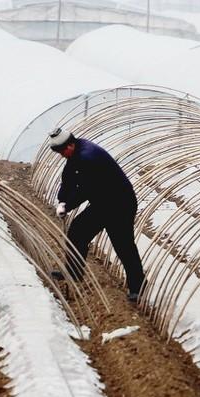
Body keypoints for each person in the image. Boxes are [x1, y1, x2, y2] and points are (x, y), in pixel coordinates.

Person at [47, 127, 146, 303]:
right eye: (59, 152)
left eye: (62, 150)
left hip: (120, 203)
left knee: (123, 245)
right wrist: (62, 200)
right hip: (103, 202)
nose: (61, 154)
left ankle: (138, 285)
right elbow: (68, 178)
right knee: (77, 232)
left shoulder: (88, 156)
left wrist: (68, 205)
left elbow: (85, 189)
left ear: (70, 144)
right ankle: (74, 272)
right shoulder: (75, 153)